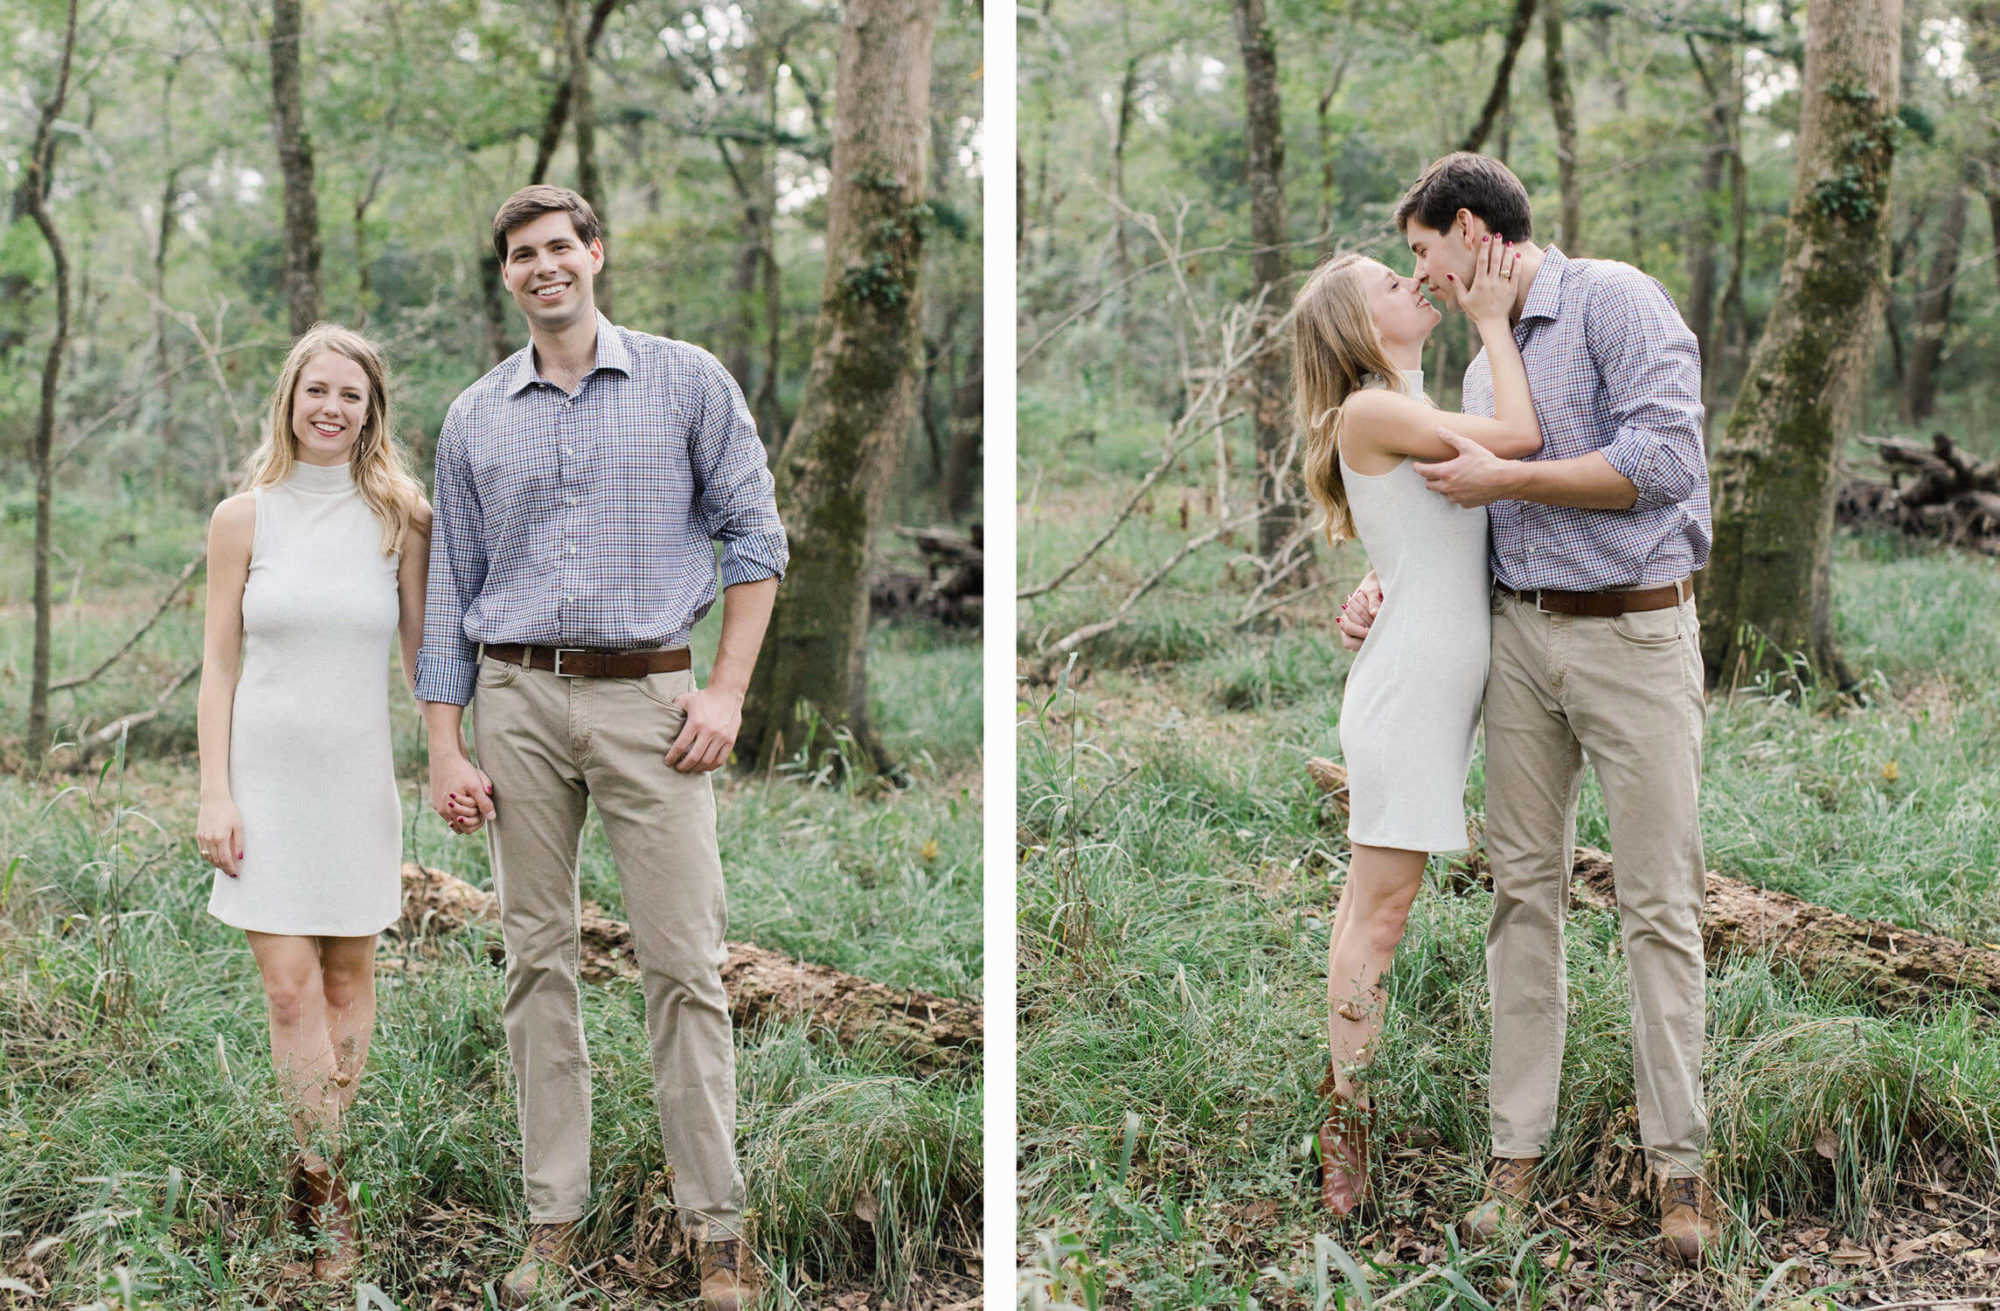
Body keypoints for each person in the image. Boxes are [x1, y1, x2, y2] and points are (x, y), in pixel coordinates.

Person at [414, 184, 786, 1311]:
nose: (543, 268)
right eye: (522, 256)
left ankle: (715, 1233)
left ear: (596, 255)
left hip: (651, 705)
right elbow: (448, 591)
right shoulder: (476, 415)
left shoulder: (684, 379)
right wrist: (444, 744)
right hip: (516, 700)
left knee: (683, 963)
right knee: (537, 960)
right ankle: (553, 1224)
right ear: (509, 276)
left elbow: (755, 535)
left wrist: (725, 690)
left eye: (559, 248)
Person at [1340, 152, 1716, 1265]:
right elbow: (1450, 523)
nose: (1422, 273)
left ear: (1467, 231)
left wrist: (1513, 480)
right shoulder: (1470, 378)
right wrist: (1378, 586)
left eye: (1421, 251)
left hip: (1635, 636)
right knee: (1522, 899)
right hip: (1517, 641)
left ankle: (1677, 1171)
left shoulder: (1615, 299)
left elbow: (1663, 461)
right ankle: (1514, 1158)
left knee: (1657, 902)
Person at [1293, 235, 1541, 1217]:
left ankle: (1337, 1100)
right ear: (1359, 325)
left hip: (1424, 682)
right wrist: (1488, 317)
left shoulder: (1406, 407)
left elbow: (1422, 542)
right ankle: (1344, 1124)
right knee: (1382, 915)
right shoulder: (1371, 405)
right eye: (1389, 284)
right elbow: (1515, 445)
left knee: (1365, 906)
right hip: (1406, 695)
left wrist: (1370, 585)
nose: (1411, 283)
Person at [195, 323, 432, 1282]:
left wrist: (457, 753)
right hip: (266, 782)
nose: (331, 409)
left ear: (372, 413)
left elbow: (427, 663)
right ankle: (329, 1195)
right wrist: (215, 791)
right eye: (316, 392)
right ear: (289, 400)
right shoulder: (242, 517)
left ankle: (312, 1169)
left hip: (356, 782)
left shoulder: (400, 518)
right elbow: (217, 665)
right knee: (289, 987)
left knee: (345, 983)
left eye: (351, 396)